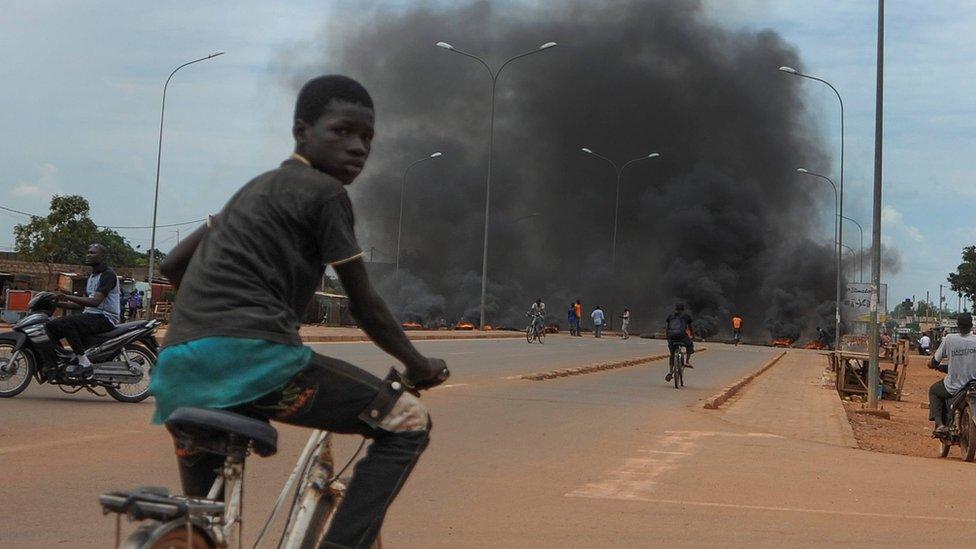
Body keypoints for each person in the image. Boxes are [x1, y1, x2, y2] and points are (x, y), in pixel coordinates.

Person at [149, 75, 449, 548]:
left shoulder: (252, 193)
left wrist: (214, 312)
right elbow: (364, 304)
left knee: (208, 531)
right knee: (408, 420)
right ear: (302, 131)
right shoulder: (325, 193)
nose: (358, 148)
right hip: (255, 360)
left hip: (178, 368)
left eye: (367, 137)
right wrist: (419, 364)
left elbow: (171, 265)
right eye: (343, 131)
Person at [46, 244, 121, 379]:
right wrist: (58, 303)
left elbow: (95, 302)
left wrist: (66, 296)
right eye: (88, 252)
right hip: (91, 315)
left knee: (67, 323)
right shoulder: (92, 277)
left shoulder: (108, 275)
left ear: (102, 256)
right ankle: (60, 360)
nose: (88, 255)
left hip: (105, 318)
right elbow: (83, 303)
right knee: (51, 326)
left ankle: (85, 363)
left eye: (92, 253)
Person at [928, 313, 976, 436]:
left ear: (958, 326)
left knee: (934, 390)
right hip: (974, 385)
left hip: (954, 386)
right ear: (971, 326)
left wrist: (932, 364)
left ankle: (940, 425)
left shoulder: (950, 339)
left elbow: (935, 361)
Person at [665, 303, 695, 382]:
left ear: (676, 309)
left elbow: (667, 328)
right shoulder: (686, 316)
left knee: (672, 354)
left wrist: (668, 337)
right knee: (690, 345)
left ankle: (671, 372)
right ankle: (687, 361)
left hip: (672, 337)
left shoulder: (671, 316)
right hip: (682, 337)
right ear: (683, 309)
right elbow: (690, 327)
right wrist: (692, 335)